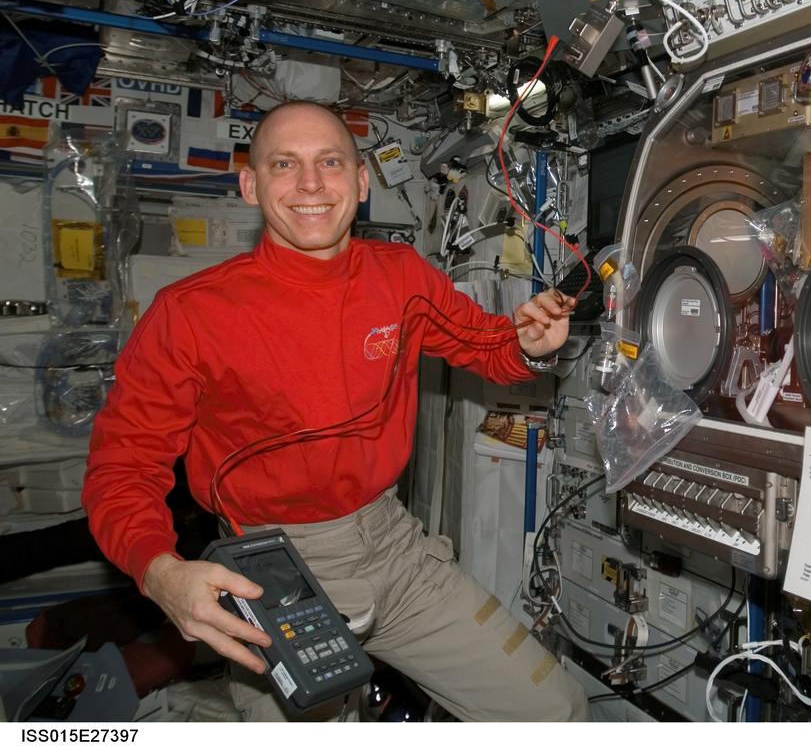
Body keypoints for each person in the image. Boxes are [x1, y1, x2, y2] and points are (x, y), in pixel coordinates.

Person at [82, 100, 588, 722]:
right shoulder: (189, 314)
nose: (312, 184)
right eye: (284, 164)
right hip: (273, 569)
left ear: (362, 181)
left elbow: (487, 345)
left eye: (330, 162)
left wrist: (529, 348)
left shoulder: (402, 276)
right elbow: (121, 469)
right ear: (250, 185)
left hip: (396, 551)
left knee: (555, 711)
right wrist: (160, 572)